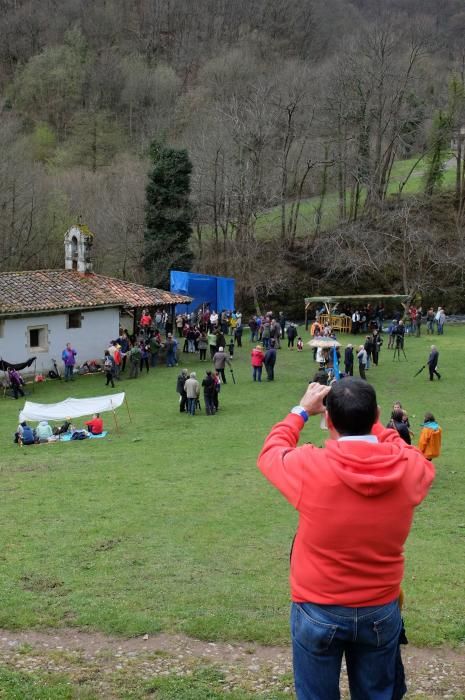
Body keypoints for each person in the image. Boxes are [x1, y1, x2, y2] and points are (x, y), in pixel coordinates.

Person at [257, 378, 435, 700]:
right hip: (379, 607)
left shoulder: (309, 466)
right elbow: (409, 451)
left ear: (328, 421)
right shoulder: (409, 468)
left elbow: (271, 453)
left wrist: (300, 411)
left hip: (316, 606)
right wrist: (377, 425)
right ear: (377, 414)